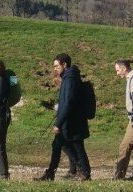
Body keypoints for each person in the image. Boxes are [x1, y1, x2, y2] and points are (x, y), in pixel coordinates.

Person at [33, 53, 91, 181]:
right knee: (59, 144)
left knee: (77, 146)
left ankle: (85, 173)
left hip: (72, 121)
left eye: (56, 66)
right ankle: (51, 173)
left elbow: (68, 102)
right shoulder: (68, 77)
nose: (55, 68)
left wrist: (58, 123)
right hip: (70, 119)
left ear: (64, 64)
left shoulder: (70, 78)